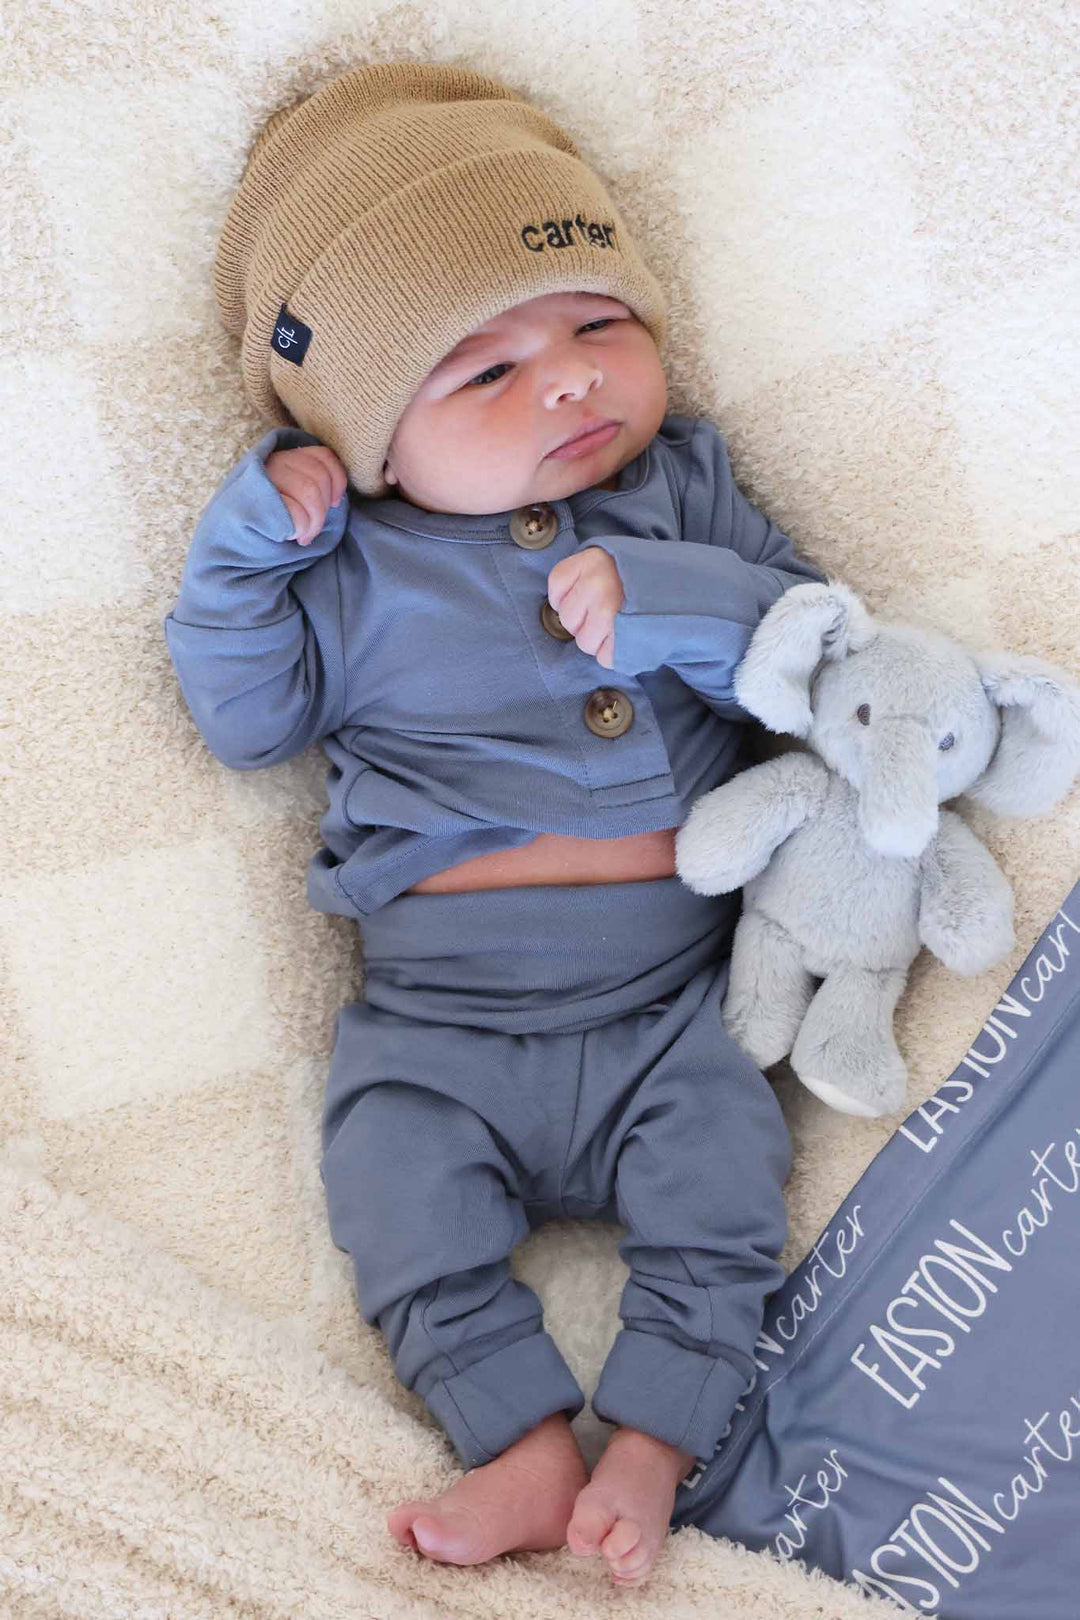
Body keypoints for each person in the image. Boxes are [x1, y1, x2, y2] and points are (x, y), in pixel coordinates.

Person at [164, 60, 827, 1589]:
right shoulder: (348, 566)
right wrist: (244, 560)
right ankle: (518, 1439)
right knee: (391, 1186)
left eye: (598, 325)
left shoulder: (682, 493)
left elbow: (813, 658)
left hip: (678, 1005)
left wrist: (681, 606)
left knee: (724, 1181)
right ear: (377, 437)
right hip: (437, 1027)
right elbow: (245, 721)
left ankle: (659, 1436)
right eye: (486, 373)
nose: (573, 381)